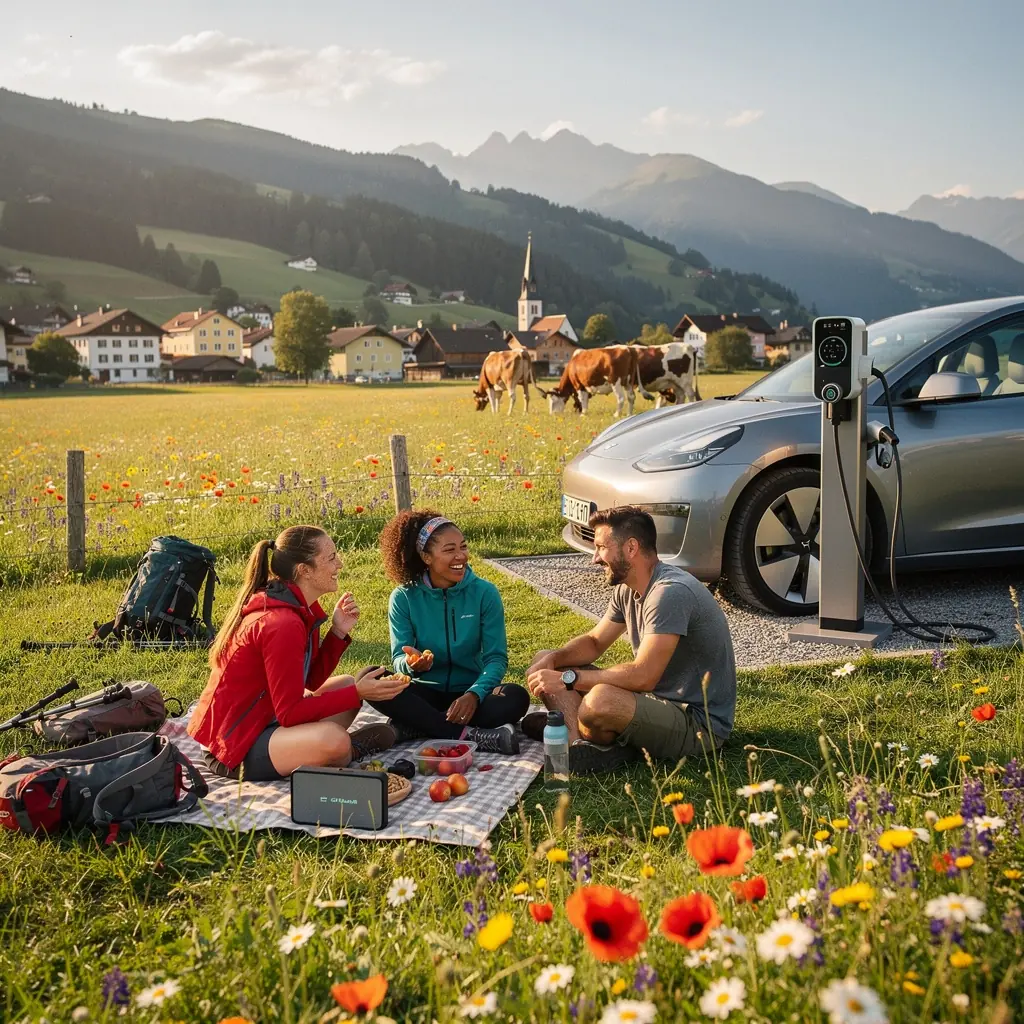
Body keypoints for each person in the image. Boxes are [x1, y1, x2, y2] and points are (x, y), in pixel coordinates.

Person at [523, 506, 736, 774]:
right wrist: (553, 660)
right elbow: (594, 642)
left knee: (600, 701)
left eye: (601, 547)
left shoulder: (670, 593)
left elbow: (643, 676)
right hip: (654, 702)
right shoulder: (628, 588)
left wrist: (568, 680)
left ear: (631, 548)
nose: (595, 559)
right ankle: (579, 741)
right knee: (546, 660)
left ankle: (577, 729)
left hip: (696, 724)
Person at [189, 525, 407, 780]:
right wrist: (358, 693)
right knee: (334, 738)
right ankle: (347, 751)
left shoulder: (298, 607)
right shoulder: (282, 623)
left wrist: (337, 632)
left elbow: (311, 682)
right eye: (331, 558)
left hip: (265, 722)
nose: (340, 564)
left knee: (346, 684)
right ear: (304, 570)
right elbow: (290, 712)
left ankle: (329, 751)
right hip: (234, 749)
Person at [372, 510, 530, 754]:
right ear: (426, 557)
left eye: (463, 547)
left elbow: (495, 659)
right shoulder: (403, 597)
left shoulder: (484, 593)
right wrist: (413, 665)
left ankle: (420, 725)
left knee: (515, 697)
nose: (461, 556)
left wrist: (474, 695)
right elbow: (398, 659)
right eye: (449, 550)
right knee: (372, 677)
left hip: (470, 695)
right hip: (425, 692)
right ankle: (468, 734)